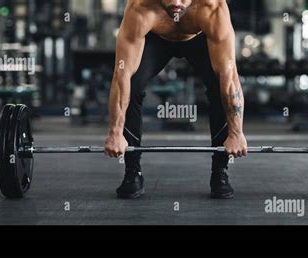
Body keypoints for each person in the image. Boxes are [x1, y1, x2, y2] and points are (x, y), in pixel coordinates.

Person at [104, 0, 248, 199]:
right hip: (156, 36)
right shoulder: (141, 7)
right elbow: (121, 76)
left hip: (199, 35)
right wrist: (115, 133)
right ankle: (132, 172)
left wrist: (236, 133)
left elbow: (229, 77)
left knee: (218, 86)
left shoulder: (211, 8)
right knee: (133, 85)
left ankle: (220, 172)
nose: (176, 3)